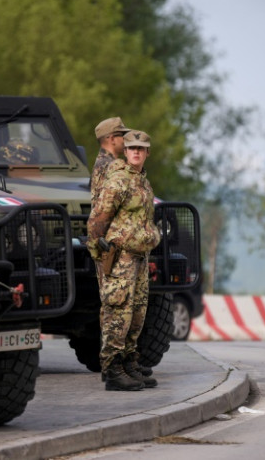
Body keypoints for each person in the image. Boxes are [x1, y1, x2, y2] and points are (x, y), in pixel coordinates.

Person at [87, 130, 161, 391]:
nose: (136, 152)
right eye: (131, 148)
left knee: (137, 313)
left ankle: (129, 362)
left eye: (141, 148)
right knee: (117, 313)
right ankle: (112, 369)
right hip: (121, 257)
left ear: (147, 153)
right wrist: (101, 256)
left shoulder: (143, 182)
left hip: (139, 258)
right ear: (126, 151)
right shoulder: (118, 180)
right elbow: (97, 221)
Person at [89, 117, 130, 202]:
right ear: (112, 139)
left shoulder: (104, 162)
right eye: (123, 135)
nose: (126, 139)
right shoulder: (109, 165)